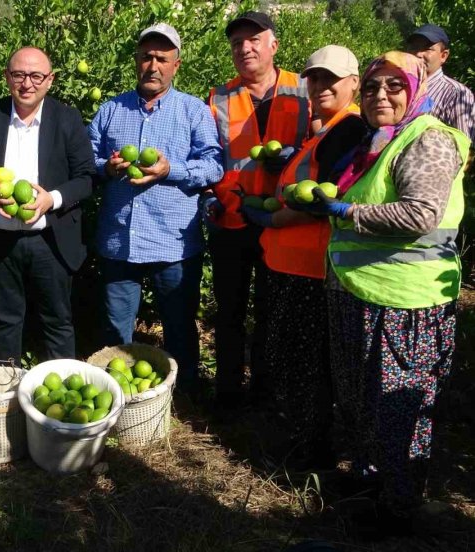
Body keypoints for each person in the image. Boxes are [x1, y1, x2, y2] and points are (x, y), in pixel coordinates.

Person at [296, 51, 468, 522]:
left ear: (416, 90)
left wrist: (347, 213)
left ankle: (399, 507)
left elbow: (420, 213)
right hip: (361, 292)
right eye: (372, 87)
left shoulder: (427, 140)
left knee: (399, 413)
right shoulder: (376, 142)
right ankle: (370, 481)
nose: (380, 95)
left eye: (394, 86)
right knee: (361, 399)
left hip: (406, 301)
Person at [242, 45, 367, 467]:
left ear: (354, 83)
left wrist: (271, 220)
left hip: (309, 269)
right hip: (289, 265)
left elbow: (325, 199)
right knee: (296, 360)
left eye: (330, 78)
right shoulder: (325, 129)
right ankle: (304, 440)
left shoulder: (348, 129)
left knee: (305, 364)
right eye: (314, 78)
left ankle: (309, 453)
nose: (320, 86)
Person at [88, 24, 223, 392]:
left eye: (162, 58)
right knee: (116, 328)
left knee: (179, 326)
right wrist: (106, 167)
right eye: (147, 56)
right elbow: (87, 158)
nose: (153, 65)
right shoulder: (111, 110)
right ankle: (119, 396)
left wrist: (170, 170)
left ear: (176, 65)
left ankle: (185, 396)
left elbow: (213, 166)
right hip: (119, 242)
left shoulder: (193, 111)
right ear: (136, 61)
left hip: (174, 245)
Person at [200, 11, 311, 407]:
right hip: (232, 218)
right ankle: (228, 392)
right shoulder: (220, 96)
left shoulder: (304, 89)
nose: (244, 48)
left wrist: (296, 159)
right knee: (228, 310)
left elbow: (323, 143)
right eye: (236, 43)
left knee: (272, 310)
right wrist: (212, 199)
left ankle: (266, 390)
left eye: (254, 40)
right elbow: (210, 157)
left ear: (273, 46)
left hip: (282, 221)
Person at [0, 47, 94, 363]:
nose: (27, 83)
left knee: (58, 322)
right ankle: (5, 398)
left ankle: (63, 399)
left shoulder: (67, 119)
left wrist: (51, 200)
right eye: (19, 74)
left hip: (50, 239)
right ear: (7, 77)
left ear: (50, 80)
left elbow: (86, 177)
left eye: (36, 76)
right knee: (4, 322)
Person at [405, 24, 475, 141]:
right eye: (414, 47)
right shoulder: (399, 87)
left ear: (443, 55)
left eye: (427, 48)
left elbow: (463, 145)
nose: (418, 54)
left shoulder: (456, 94)